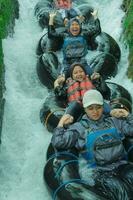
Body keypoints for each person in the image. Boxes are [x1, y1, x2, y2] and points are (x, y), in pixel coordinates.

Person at [51, 89, 133, 200]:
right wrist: (61, 124)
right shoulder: (79, 128)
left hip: (122, 166)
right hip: (101, 173)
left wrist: (127, 115)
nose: (95, 111)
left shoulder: (114, 121)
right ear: (85, 109)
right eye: (90, 108)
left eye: (98, 107)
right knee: (121, 190)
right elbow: (59, 142)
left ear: (103, 107)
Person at [48, 12, 101, 77]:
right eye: (72, 25)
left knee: (94, 76)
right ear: (69, 27)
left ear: (80, 26)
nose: (75, 26)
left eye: (77, 24)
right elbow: (51, 34)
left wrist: (95, 16)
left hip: (82, 63)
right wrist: (51, 18)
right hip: (68, 64)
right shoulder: (64, 36)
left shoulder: (84, 35)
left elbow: (97, 30)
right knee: (62, 79)